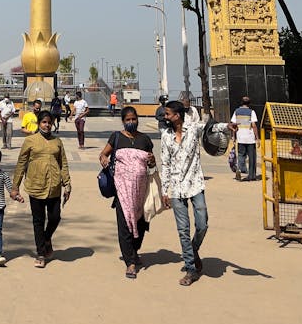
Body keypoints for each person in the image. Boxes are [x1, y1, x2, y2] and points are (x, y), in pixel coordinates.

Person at [160, 100, 228, 286]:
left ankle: (192, 249)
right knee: (183, 230)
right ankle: (191, 268)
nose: (165, 117)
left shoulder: (193, 129)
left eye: (168, 114)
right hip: (175, 187)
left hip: (195, 184)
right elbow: (165, 164)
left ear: (177, 115)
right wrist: (164, 191)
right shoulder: (166, 136)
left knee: (202, 224)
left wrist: (228, 126)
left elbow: (212, 128)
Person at [99, 106, 156, 278]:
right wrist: (104, 160)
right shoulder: (116, 137)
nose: (131, 122)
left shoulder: (145, 139)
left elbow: (151, 164)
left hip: (141, 191)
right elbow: (104, 154)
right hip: (122, 190)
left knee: (140, 223)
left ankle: (135, 251)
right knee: (124, 225)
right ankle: (130, 262)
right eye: (128, 120)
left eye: (134, 119)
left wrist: (152, 161)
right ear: (123, 121)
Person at [11, 111, 71, 268]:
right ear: (39, 123)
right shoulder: (30, 140)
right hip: (35, 185)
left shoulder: (57, 142)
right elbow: (21, 163)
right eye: (44, 122)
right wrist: (15, 186)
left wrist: (67, 183)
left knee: (55, 217)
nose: (47, 125)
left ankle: (46, 238)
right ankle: (41, 253)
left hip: (54, 187)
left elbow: (63, 163)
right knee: (38, 221)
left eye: (49, 122)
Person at [229, 96, 259, 181]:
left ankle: (239, 170)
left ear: (241, 102)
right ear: (249, 103)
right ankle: (251, 176)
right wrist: (257, 138)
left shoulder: (236, 111)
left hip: (240, 137)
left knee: (241, 155)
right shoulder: (251, 112)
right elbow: (254, 126)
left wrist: (234, 137)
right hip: (250, 138)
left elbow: (234, 125)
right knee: (252, 157)